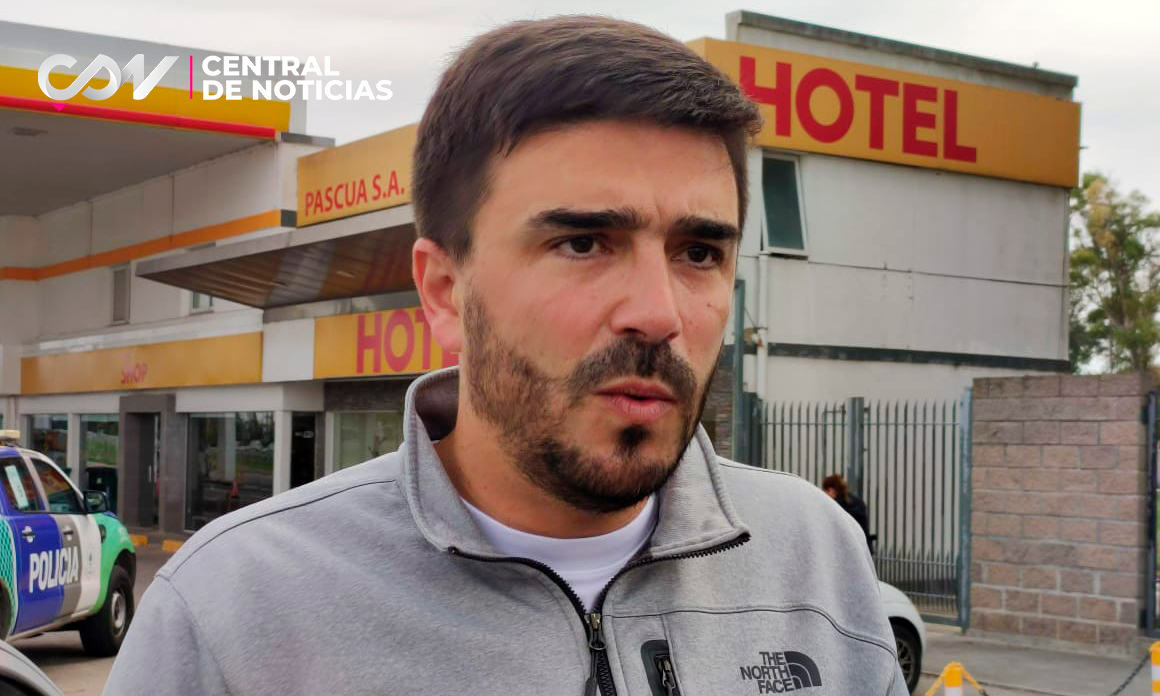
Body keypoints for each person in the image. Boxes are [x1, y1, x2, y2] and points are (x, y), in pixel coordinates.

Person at [103, 15, 906, 696]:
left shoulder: (815, 557)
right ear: (445, 291)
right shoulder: (235, 608)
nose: (659, 314)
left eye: (699, 253)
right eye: (584, 242)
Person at [822, 473, 872, 547]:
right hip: (863, 546)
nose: (824, 494)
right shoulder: (857, 502)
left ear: (831, 490)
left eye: (825, 491)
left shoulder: (835, 506)